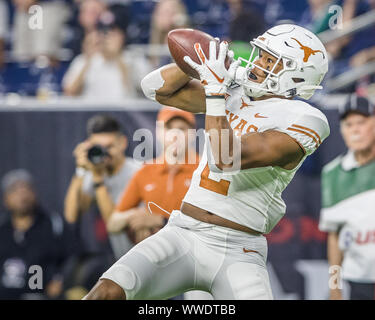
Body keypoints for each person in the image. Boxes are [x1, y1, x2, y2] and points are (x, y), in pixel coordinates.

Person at [84, 23, 330, 300]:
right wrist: (202, 61)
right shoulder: (237, 92)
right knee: (105, 293)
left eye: (269, 60)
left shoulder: (304, 119)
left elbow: (226, 158)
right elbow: (155, 89)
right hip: (184, 233)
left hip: (240, 250)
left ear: (295, 75)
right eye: (260, 54)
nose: (257, 62)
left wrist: (215, 91)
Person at [64, 114, 140, 296]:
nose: (104, 154)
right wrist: (80, 170)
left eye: (109, 147)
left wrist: (97, 179)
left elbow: (114, 224)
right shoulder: (95, 172)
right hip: (120, 258)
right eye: (99, 148)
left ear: (122, 143)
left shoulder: (138, 172)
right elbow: (72, 215)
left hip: (142, 258)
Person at [107, 106, 199, 244]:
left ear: (192, 133)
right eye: (169, 128)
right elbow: (113, 224)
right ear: (159, 132)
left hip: (194, 255)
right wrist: (137, 217)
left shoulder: (206, 170)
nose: (175, 135)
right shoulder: (145, 171)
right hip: (157, 256)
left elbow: (214, 224)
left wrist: (160, 220)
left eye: (181, 129)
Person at [319, 95, 375, 300]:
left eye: (361, 122)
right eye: (348, 124)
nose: (355, 130)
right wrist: (335, 288)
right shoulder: (332, 173)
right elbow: (334, 238)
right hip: (358, 279)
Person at [0, 169, 72, 300]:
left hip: (42, 295)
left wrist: (61, 280)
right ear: (6, 199)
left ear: (35, 193)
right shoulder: (2, 229)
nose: (22, 195)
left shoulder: (54, 225)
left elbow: (73, 259)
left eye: (26, 189)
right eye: (14, 190)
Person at [63, 12, 151, 100]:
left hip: (124, 111)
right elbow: (70, 92)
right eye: (103, 32)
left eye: (112, 32)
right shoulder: (83, 59)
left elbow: (143, 92)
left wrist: (117, 56)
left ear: (122, 36)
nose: (106, 37)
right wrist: (88, 60)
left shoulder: (134, 58)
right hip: (93, 111)